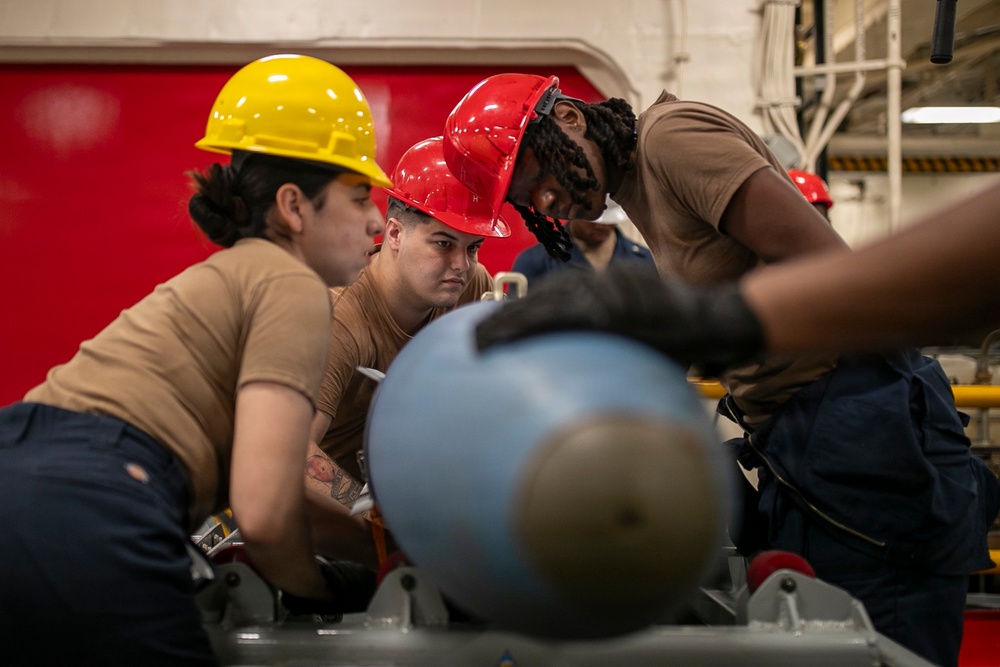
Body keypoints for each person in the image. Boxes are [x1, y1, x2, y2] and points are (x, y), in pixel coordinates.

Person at [443, 74, 998, 666]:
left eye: (539, 177)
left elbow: (826, 262)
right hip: (801, 433)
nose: (546, 203)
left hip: (863, 422)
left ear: (570, 121)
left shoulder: (672, 140)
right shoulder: (640, 188)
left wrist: (707, 320)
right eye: (528, 200)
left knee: (876, 647)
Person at [0, 54, 394, 666]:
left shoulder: (229, 275)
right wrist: (327, 589)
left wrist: (370, 553)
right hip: (93, 499)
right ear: (293, 206)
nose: (376, 220)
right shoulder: (293, 284)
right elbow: (265, 515)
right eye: (360, 196)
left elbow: (261, 497)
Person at [304, 136, 505, 536]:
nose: (461, 265)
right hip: (334, 533)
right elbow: (289, 452)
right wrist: (381, 523)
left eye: (473, 248)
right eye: (443, 244)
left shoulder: (470, 285)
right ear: (394, 234)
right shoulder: (338, 316)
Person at [510, 195, 654, 285]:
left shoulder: (644, 262)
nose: (601, 226)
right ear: (572, 213)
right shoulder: (535, 262)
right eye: (592, 220)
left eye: (608, 221)